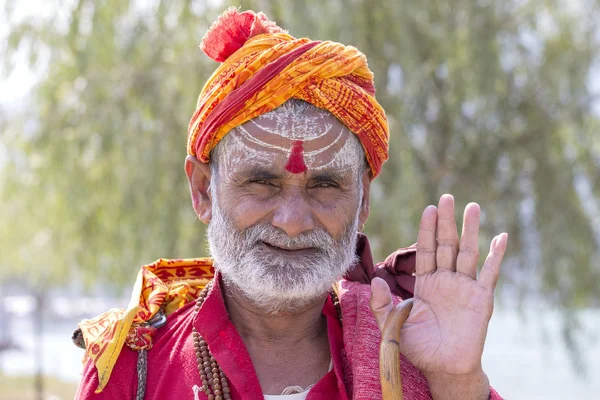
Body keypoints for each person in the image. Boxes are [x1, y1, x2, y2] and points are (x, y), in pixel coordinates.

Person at [74, 7, 507, 400]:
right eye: (262, 183)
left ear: (363, 199)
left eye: (325, 186)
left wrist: (456, 381)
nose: (294, 221)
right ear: (203, 190)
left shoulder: (416, 356)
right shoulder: (131, 366)